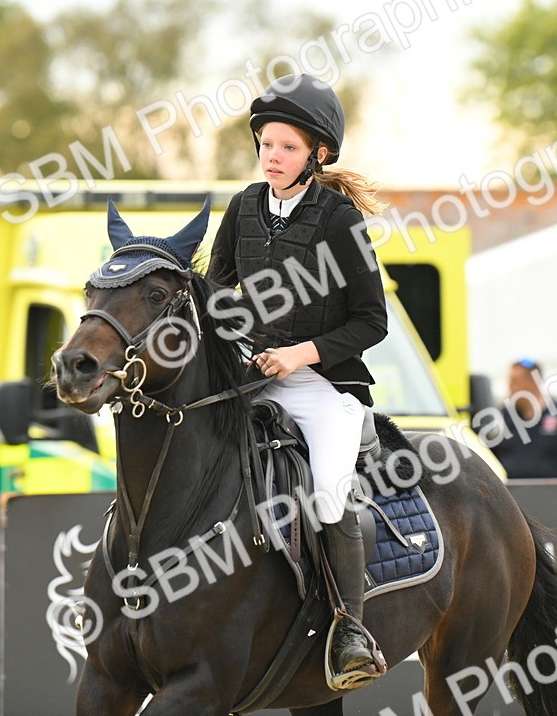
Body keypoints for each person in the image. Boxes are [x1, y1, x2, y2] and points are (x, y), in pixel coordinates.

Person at [207, 73, 388, 690]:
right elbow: (216, 285)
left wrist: (298, 353)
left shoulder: (340, 220)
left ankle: (350, 630)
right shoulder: (242, 208)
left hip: (322, 388)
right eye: (265, 145)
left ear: (318, 154)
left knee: (331, 490)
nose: (272, 157)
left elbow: (372, 321)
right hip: (250, 377)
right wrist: (232, 333)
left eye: (286, 147)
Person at [491, 358, 557, 480]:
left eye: (515, 381)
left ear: (533, 383)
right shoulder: (499, 418)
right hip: (510, 495)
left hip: (552, 495)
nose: (509, 387)